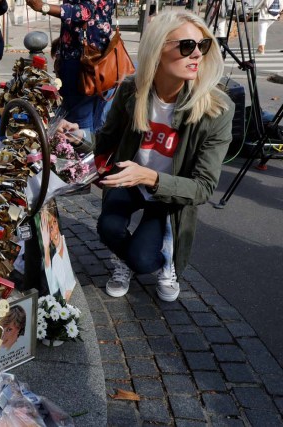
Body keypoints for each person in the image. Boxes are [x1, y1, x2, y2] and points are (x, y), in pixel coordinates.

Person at [58, 10, 234, 302]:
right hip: (128, 181)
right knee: (108, 228)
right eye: (187, 46)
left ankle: (163, 263)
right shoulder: (132, 90)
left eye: (202, 46)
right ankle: (125, 260)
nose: (197, 56)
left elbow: (203, 187)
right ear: (158, 48)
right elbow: (105, 142)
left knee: (142, 260)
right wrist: (77, 137)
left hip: (167, 190)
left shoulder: (217, 109)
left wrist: (150, 177)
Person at [25, 0, 115, 132]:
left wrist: (44, 7)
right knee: (91, 118)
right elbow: (97, 16)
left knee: (78, 122)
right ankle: (88, 148)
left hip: (82, 62)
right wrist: (67, 37)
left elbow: (85, 11)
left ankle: (81, 150)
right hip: (100, 59)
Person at [40, 206, 75, 301]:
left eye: (55, 223)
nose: (54, 228)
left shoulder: (57, 252)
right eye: (50, 228)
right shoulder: (54, 258)